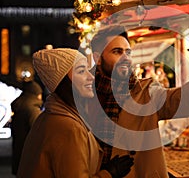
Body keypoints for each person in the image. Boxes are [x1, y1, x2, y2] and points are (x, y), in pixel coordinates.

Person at [89, 25, 189, 177]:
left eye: (128, 52)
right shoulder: (84, 96)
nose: (126, 58)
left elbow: (186, 99)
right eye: (117, 52)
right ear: (98, 58)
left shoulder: (146, 93)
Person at [17, 48, 134, 178]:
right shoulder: (68, 126)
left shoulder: (52, 116)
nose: (91, 77)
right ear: (63, 82)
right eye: (81, 71)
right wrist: (109, 173)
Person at [11, 80, 43, 175]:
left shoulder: (20, 107)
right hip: (30, 155)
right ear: (35, 94)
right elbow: (38, 132)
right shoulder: (32, 110)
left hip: (19, 151)